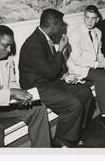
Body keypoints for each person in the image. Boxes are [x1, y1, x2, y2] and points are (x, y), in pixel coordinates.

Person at [18, 8, 93, 148]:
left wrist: (64, 75)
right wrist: (60, 50)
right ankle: (62, 140)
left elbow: (51, 69)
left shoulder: (45, 38)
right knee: (74, 104)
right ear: (53, 25)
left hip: (50, 82)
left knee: (85, 93)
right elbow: (49, 72)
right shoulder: (33, 44)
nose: (63, 26)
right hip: (36, 88)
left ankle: (74, 133)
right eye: (60, 23)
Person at [0, 25, 51, 147]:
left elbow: (11, 82)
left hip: (3, 104)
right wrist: (10, 93)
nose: (10, 50)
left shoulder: (7, 57)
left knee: (39, 108)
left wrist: (20, 97)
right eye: (6, 45)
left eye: (11, 45)